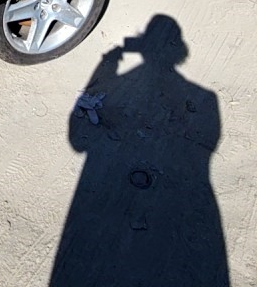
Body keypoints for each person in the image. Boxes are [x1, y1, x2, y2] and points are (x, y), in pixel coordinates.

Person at [50, 15, 230, 287]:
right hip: (195, 198)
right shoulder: (207, 99)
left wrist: (107, 66)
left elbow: (77, 142)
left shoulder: (204, 98)